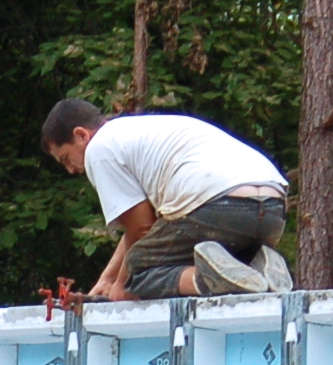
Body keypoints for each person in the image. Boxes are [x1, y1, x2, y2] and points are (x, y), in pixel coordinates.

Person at [43, 97, 295, 302]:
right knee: (214, 260)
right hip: (272, 209)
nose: (71, 169)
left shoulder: (99, 149)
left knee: (138, 274)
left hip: (218, 205)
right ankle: (258, 267)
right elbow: (143, 228)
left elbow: (141, 229)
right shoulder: (139, 133)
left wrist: (122, 285)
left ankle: (209, 281)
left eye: (66, 158)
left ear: (81, 135)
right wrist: (107, 280)